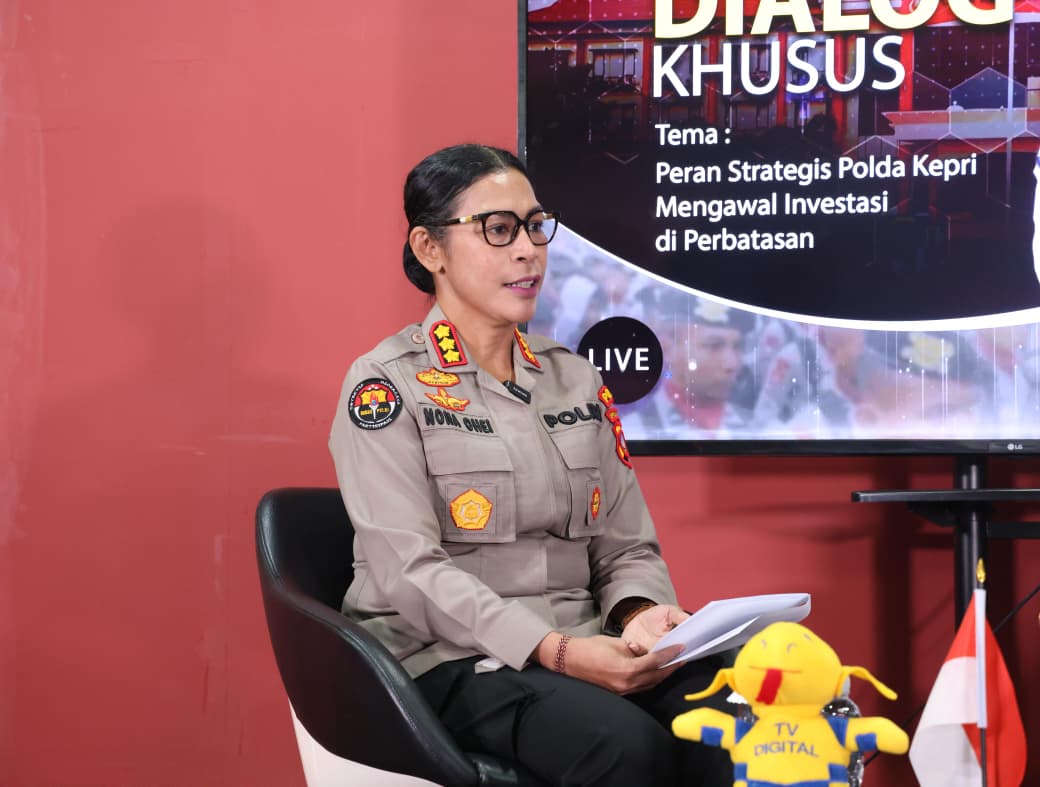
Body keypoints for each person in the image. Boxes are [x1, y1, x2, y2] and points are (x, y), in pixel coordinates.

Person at [328, 143, 733, 787]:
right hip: (451, 658)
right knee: (623, 747)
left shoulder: (574, 379)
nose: (528, 250)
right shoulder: (386, 385)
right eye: (498, 228)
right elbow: (410, 572)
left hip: (587, 640)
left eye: (535, 226)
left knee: (742, 713)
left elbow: (626, 546)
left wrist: (638, 615)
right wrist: (557, 651)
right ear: (430, 249)